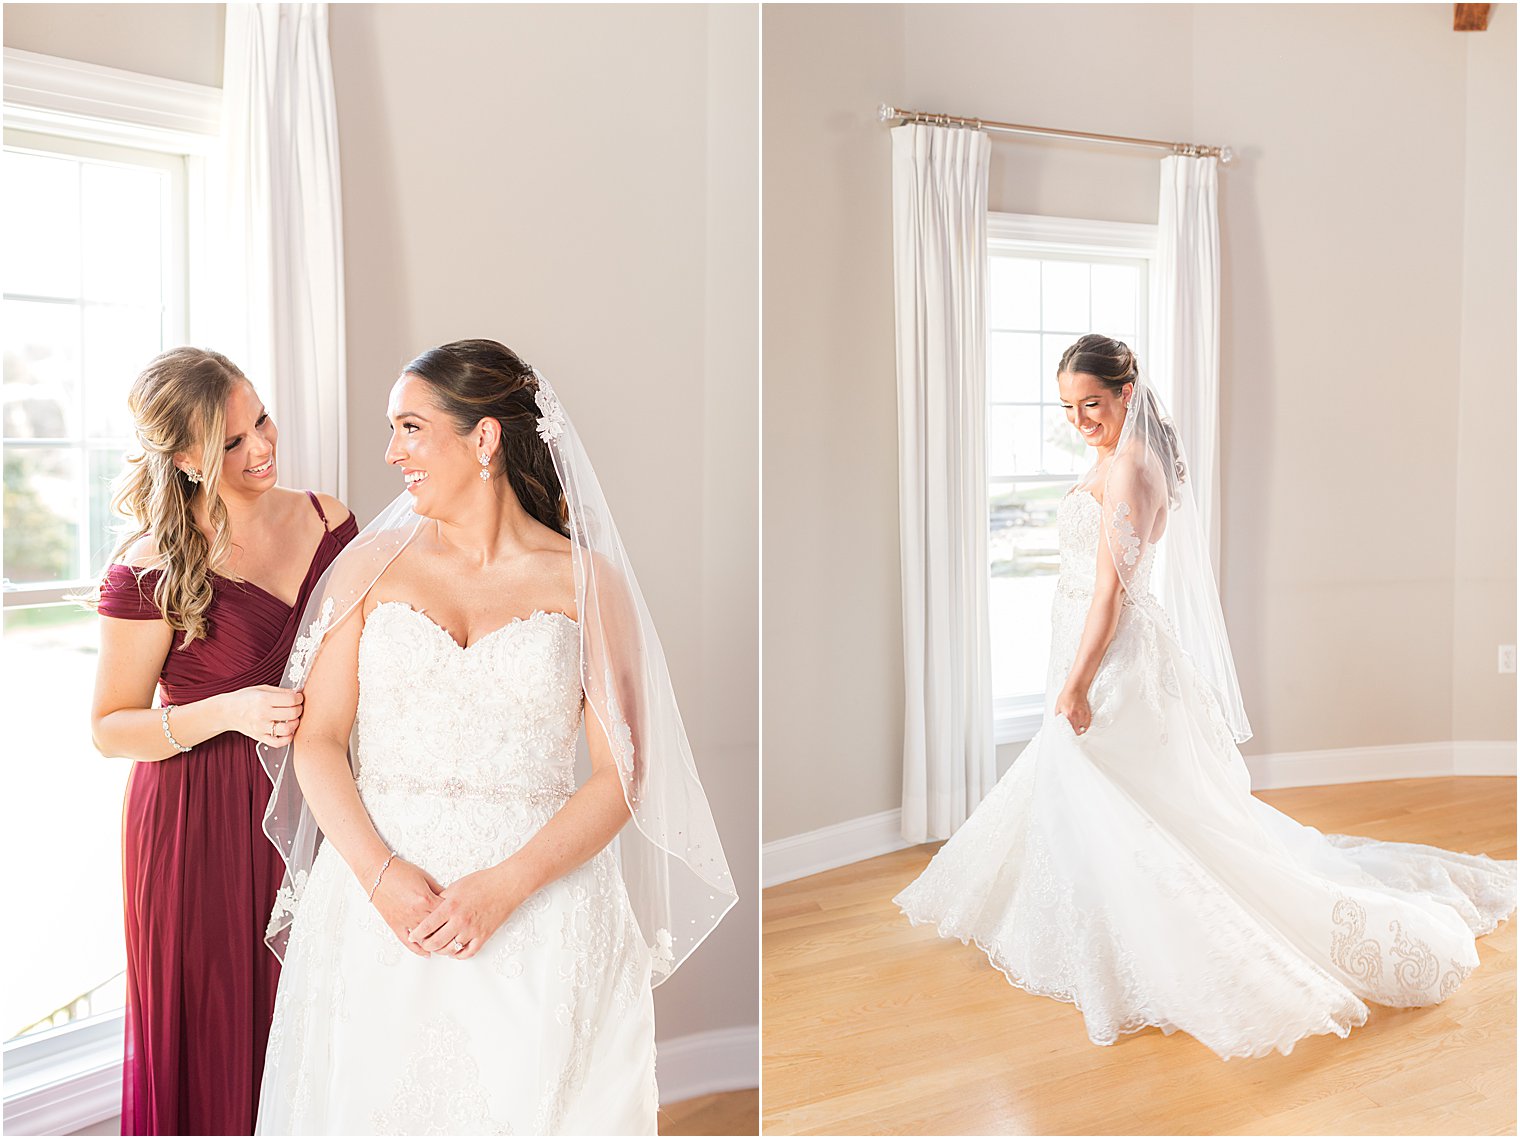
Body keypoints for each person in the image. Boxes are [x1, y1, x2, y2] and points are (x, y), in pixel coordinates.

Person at [895, 333, 1517, 1060]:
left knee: (1119, 804)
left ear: (1126, 392)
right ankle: (1089, 924)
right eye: (1068, 407)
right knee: (1114, 805)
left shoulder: (1128, 470)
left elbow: (1110, 596)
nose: (1079, 420)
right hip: (1104, 653)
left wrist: (1075, 682)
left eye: (1091, 404)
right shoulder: (1120, 457)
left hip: (1110, 661)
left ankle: (1148, 938)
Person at [254, 340, 736, 1134]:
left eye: (411, 427)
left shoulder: (584, 581)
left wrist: (504, 887)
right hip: (380, 906)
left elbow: (622, 775)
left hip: (541, 906)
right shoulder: (366, 567)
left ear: (483, 439)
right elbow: (318, 739)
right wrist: (381, 878)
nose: (391, 451)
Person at [90, 347, 356, 1133]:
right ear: (182, 456)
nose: (262, 448)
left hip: (320, 805)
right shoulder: (150, 570)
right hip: (194, 827)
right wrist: (228, 710)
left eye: (262, 420)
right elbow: (110, 727)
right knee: (215, 1031)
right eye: (231, 442)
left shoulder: (329, 520)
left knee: (316, 1022)